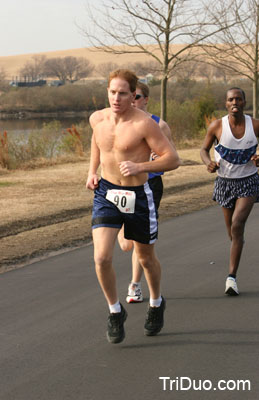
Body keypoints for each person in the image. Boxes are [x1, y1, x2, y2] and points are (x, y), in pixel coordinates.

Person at [86, 69, 180, 343]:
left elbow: (172, 159)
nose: (117, 97)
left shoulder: (144, 124)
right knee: (102, 257)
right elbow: (97, 143)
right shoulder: (97, 119)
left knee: (145, 258)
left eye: (123, 93)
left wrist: (140, 165)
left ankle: (155, 302)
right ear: (107, 92)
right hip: (106, 192)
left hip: (139, 194)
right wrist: (92, 171)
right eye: (113, 92)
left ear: (133, 95)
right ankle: (115, 311)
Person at [117, 81, 175, 303]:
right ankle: (122, 226)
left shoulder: (160, 125)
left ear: (146, 99)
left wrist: (154, 160)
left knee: (140, 240)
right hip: (123, 186)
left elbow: (171, 157)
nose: (133, 100)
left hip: (150, 186)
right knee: (125, 244)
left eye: (138, 96)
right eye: (131, 96)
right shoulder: (120, 123)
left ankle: (135, 285)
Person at [200, 87, 259, 296]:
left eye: (239, 99)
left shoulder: (255, 125)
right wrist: (208, 163)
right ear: (226, 103)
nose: (235, 102)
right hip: (224, 183)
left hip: (248, 182)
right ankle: (238, 244)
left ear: (244, 102)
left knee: (237, 224)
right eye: (230, 99)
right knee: (233, 234)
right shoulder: (217, 126)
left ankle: (231, 278)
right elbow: (203, 150)